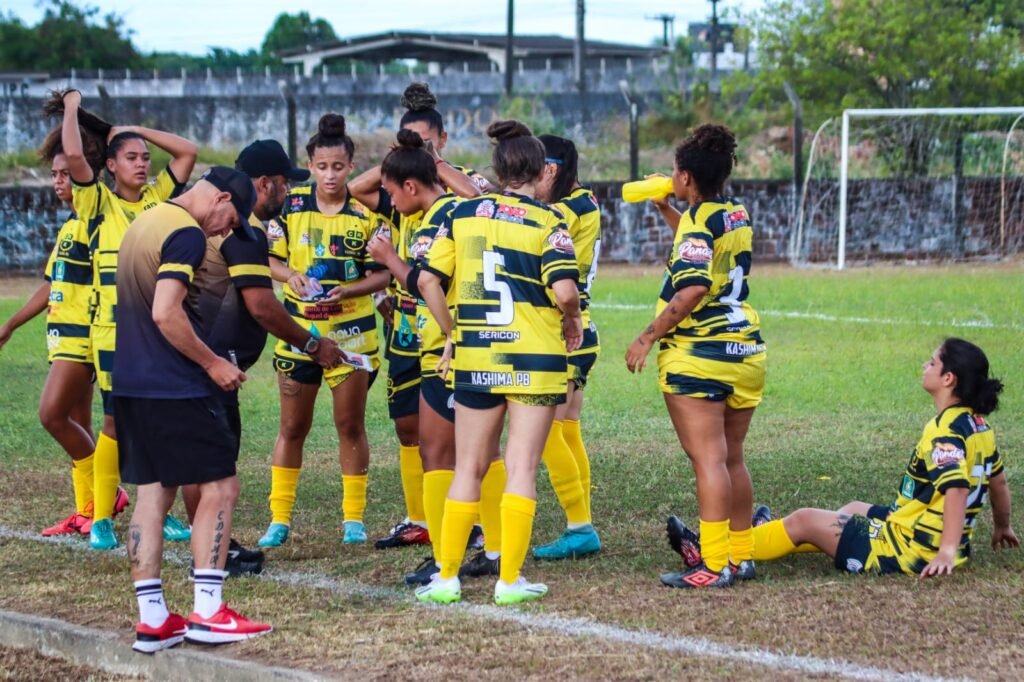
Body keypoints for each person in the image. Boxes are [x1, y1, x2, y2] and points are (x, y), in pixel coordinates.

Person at [669, 339, 1019, 579]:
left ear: (948, 378)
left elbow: (956, 489)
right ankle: (760, 537)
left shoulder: (944, 430)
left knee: (804, 520)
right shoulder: (979, 426)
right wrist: (1002, 525)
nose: (924, 365)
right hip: (916, 529)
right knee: (852, 508)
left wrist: (945, 551)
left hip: (909, 550)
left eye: (932, 361)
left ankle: (717, 552)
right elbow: (998, 482)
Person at [413, 120, 583, 606]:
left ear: (498, 168)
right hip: (533, 357)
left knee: (468, 467)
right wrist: (571, 320)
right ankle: (509, 580)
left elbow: (426, 282)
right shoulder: (549, 222)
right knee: (521, 468)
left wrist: (451, 332)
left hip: (477, 352)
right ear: (539, 173)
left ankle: (446, 577)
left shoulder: (461, 214)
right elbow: (566, 291)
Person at [114, 167, 272, 653]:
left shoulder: (144, 221)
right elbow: (166, 311)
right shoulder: (184, 232)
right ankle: (208, 610)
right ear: (221, 196)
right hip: (175, 385)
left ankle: (153, 619)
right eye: (230, 217)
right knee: (221, 486)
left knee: (152, 492)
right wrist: (212, 365)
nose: (225, 229)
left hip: (130, 382)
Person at [179, 139, 345, 577]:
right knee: (213, 463)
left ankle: (213, 546)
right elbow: (261, 306)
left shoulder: (221, 223)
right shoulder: (241, 229)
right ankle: (213, 554)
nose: (288, 195)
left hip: (198, 358)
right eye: (285, 186)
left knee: (201, 458)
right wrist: (313, 344)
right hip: (213, 363)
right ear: (264, 184)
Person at [348, 81, 488, 551]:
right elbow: (354, 189)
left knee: (458, 445)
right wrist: (399, 158)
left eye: (425, 141)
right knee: (413, 429)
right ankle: (426, 521)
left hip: (446, 329)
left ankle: (467, 533)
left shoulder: (451, 192)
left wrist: (429, 164)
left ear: (442, 142)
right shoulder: (405, 192)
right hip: (409, 327)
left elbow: (476, 200)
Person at [625, 123, 765, 589]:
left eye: (672, 174)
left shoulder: (698, 222)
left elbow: (693, 285)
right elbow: (700, 253)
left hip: (698, 352)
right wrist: (667, 208)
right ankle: (740, 556)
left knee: (708, 460)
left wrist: (647, 336)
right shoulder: (733, 213)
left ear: (686, 177)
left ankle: (713, 563)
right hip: (743, 349)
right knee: (732, 459)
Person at [56, 89, 198, 550]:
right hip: (112, 333)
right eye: (131, 157)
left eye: (145, 157)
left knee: (160, 417)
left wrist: (130, 130)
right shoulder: (97, 203)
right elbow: (74, 152)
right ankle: (100, 518)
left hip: (159, 328)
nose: (142, 163)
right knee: (116, 422)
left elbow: (188, 151)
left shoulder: (160, 198)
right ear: (111, 166)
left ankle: (163, 510)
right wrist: (74, 105)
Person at [368, 129, 499, 587]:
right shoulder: (466, 208)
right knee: (487, 453)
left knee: (437, 453)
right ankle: (495, 547)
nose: (388, 199)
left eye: (390, 190)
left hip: (444, 352)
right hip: (483, 343)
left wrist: (389, 258)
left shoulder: (437, 219)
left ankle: (447, 553)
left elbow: (426, 282)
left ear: (410, 186)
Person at [258, 114, 390, 548]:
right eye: (322, 166)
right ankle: (280, 518)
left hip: (352, 335)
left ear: (351, 166)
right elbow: (271, 259)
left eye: (338, 167)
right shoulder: (291, 206)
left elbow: (383, 275)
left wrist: (349, 288)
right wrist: (290, 274)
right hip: (299, 333)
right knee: (292, 427)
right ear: (310, 165)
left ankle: (353, 518)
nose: (330, 175)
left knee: (349, 424)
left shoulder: (365, 214)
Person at [0, 138, 103, 536]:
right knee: (78, 422)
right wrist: (11, 325)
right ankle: (89, 511)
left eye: (66, 174)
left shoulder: (98, 224)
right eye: (55, 175)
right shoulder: (70, 226)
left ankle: (107, 495)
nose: (58, 182)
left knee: (51, 415)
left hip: (84, 339)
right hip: (63, 336)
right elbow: (50, 285)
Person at [531, 134, 602, 560]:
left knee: (544, 433)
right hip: (580, 331)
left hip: (566, 330)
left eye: (530, 169)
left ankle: (579, 525)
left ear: (550, 170)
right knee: (567, 429)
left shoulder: (561, 210)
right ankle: (581, 523)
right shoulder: (585, 202)